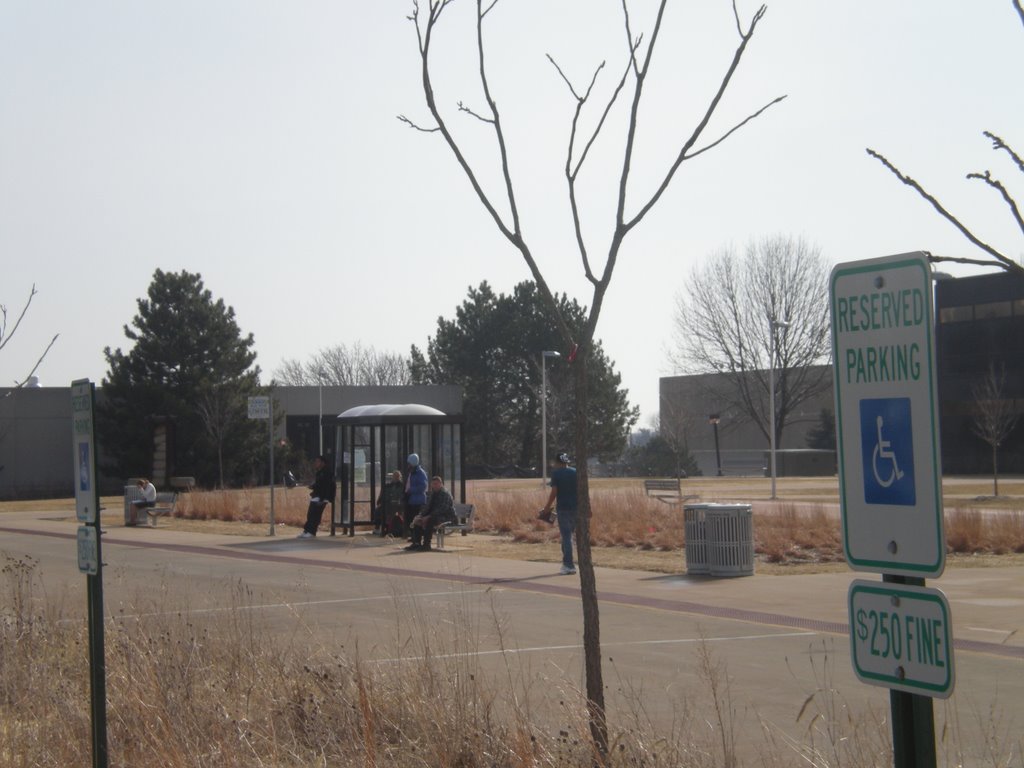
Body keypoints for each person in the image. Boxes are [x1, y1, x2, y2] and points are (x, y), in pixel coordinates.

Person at [539, 452, 577, 575]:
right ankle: (566, 562)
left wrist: (546, 508)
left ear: (557, 462)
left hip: (563, 508)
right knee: (569, 535)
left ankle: (568, 564)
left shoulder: (556, 474)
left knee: (566, 537)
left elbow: (554, 493)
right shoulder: (575, 472)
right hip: (576, 508)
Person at [406, 475, 454, 551]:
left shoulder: (445, 494)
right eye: (433, 484)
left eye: (436, 484)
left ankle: (426, 545)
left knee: (430, 520)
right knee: (418, 520)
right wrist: (420, 515)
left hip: (447, 517)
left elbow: (442, 509)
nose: (434, 486)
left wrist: (428, 517)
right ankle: (416, 543)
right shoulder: (432, 494)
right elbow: (427, 507)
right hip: (434, 516)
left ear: (441, 484)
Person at [297, 455, 335, 538]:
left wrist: (324, 499)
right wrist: (313, 486)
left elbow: (327, 486)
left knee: (315, 515)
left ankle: (312, 532)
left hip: (321, 497)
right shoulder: (319, 472)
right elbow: (319, 484)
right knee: (310, 514)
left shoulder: (327, 472)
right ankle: (306, 530)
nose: (316, 463)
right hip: (316, 495)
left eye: (317, 461)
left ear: (322, 463)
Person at [403, 453, 428, 535]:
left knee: (416, 519)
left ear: (413, 463)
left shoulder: (421, 473)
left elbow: (423, 487)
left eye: (409, 463)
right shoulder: (412, 473)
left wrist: (411, 490)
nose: (408, 465)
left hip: (418, 501)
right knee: (410, 518)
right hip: (411, 500)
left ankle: (417, 537)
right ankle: (413, 536)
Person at [372, 470, 404, 536]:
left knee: (390, 511)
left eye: (397, 476)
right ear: (392, 477)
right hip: (387, 504)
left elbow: (402, 496)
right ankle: (377, 528)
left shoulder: (402, 486)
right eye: (394, 476)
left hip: (398, 505)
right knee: (378, 510)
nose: (396, 478)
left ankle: (389, 529)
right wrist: (379, 501)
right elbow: (382, 495)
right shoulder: (388, 485)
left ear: (400, 477)